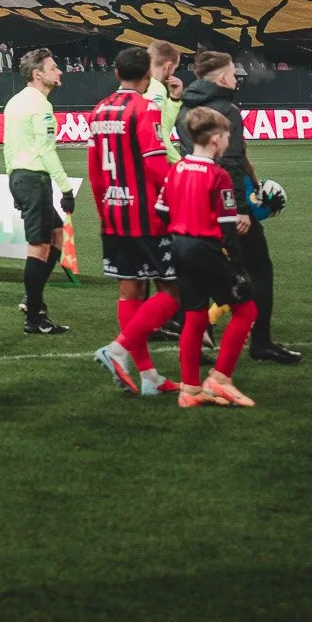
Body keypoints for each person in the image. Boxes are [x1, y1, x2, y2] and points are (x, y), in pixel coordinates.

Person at [97, 107, 261, 408]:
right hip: (205, 249)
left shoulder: (178, 169)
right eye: (227, 137)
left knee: (194, 315)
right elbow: (228, 229)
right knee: (246, 310)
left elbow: (162, 210)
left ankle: (190, 390)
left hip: (178, 247)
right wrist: (239, 270)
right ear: (215, 139)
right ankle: (221, 378)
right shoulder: (219, 175)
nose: (228, 143)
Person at [178, 52, 297, 362]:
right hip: (225, 200)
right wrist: (241, 208)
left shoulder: (185, 107)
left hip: (194, 202)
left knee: (204, 269)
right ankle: (261, 341)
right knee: (259, 269)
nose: (236, 79)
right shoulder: (226, 109)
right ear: (222, 78)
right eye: (233, 74)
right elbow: (231, 160)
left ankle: (199, 337)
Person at [86, 47, 180, 396]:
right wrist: (178, 196)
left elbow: (95, 170)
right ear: (149, 75)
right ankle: (117, 350)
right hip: (145, 214)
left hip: (113, 211)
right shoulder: (145, 108)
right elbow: (155, 165)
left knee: (131, 291)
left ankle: (148, 376)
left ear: (116, 73)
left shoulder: (99, 110)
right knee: (172, 292)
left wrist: (104, 210)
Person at [4, 49, 74, 335]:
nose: (59, 71)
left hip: (21, 176)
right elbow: (46, 151)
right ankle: (34, 317)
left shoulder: (15, 102)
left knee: (56, 236)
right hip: (34, 179)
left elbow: (8, 146)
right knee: (40, 246)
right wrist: (66, 189)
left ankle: (32, 300)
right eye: (53, 67)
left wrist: (13, 180)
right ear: (38, 74)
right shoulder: (40, 105)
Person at [145, 39, 185, 162]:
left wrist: (174, 99)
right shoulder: (156, 89)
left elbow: (163, 127)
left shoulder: (133, 85)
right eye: (175, 68)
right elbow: (159, 136)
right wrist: (180, 165)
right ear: (169, 66)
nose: (173, 73)